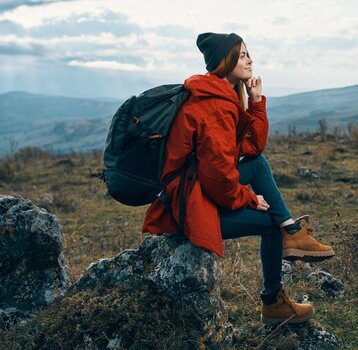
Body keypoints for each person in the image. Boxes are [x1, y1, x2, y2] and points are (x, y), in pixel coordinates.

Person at [142, 32, 334, 324]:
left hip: (196, 193)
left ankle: (292, 232)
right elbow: (216, 176)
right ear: (225, 59)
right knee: (270, 225)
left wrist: (255, 102)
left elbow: (251, 149)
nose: (250, 60)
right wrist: (248, 198)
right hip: (190, 206)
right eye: (243, 54)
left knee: (257, 164)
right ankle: (274, 301)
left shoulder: (219, 95)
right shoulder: (213, 105)